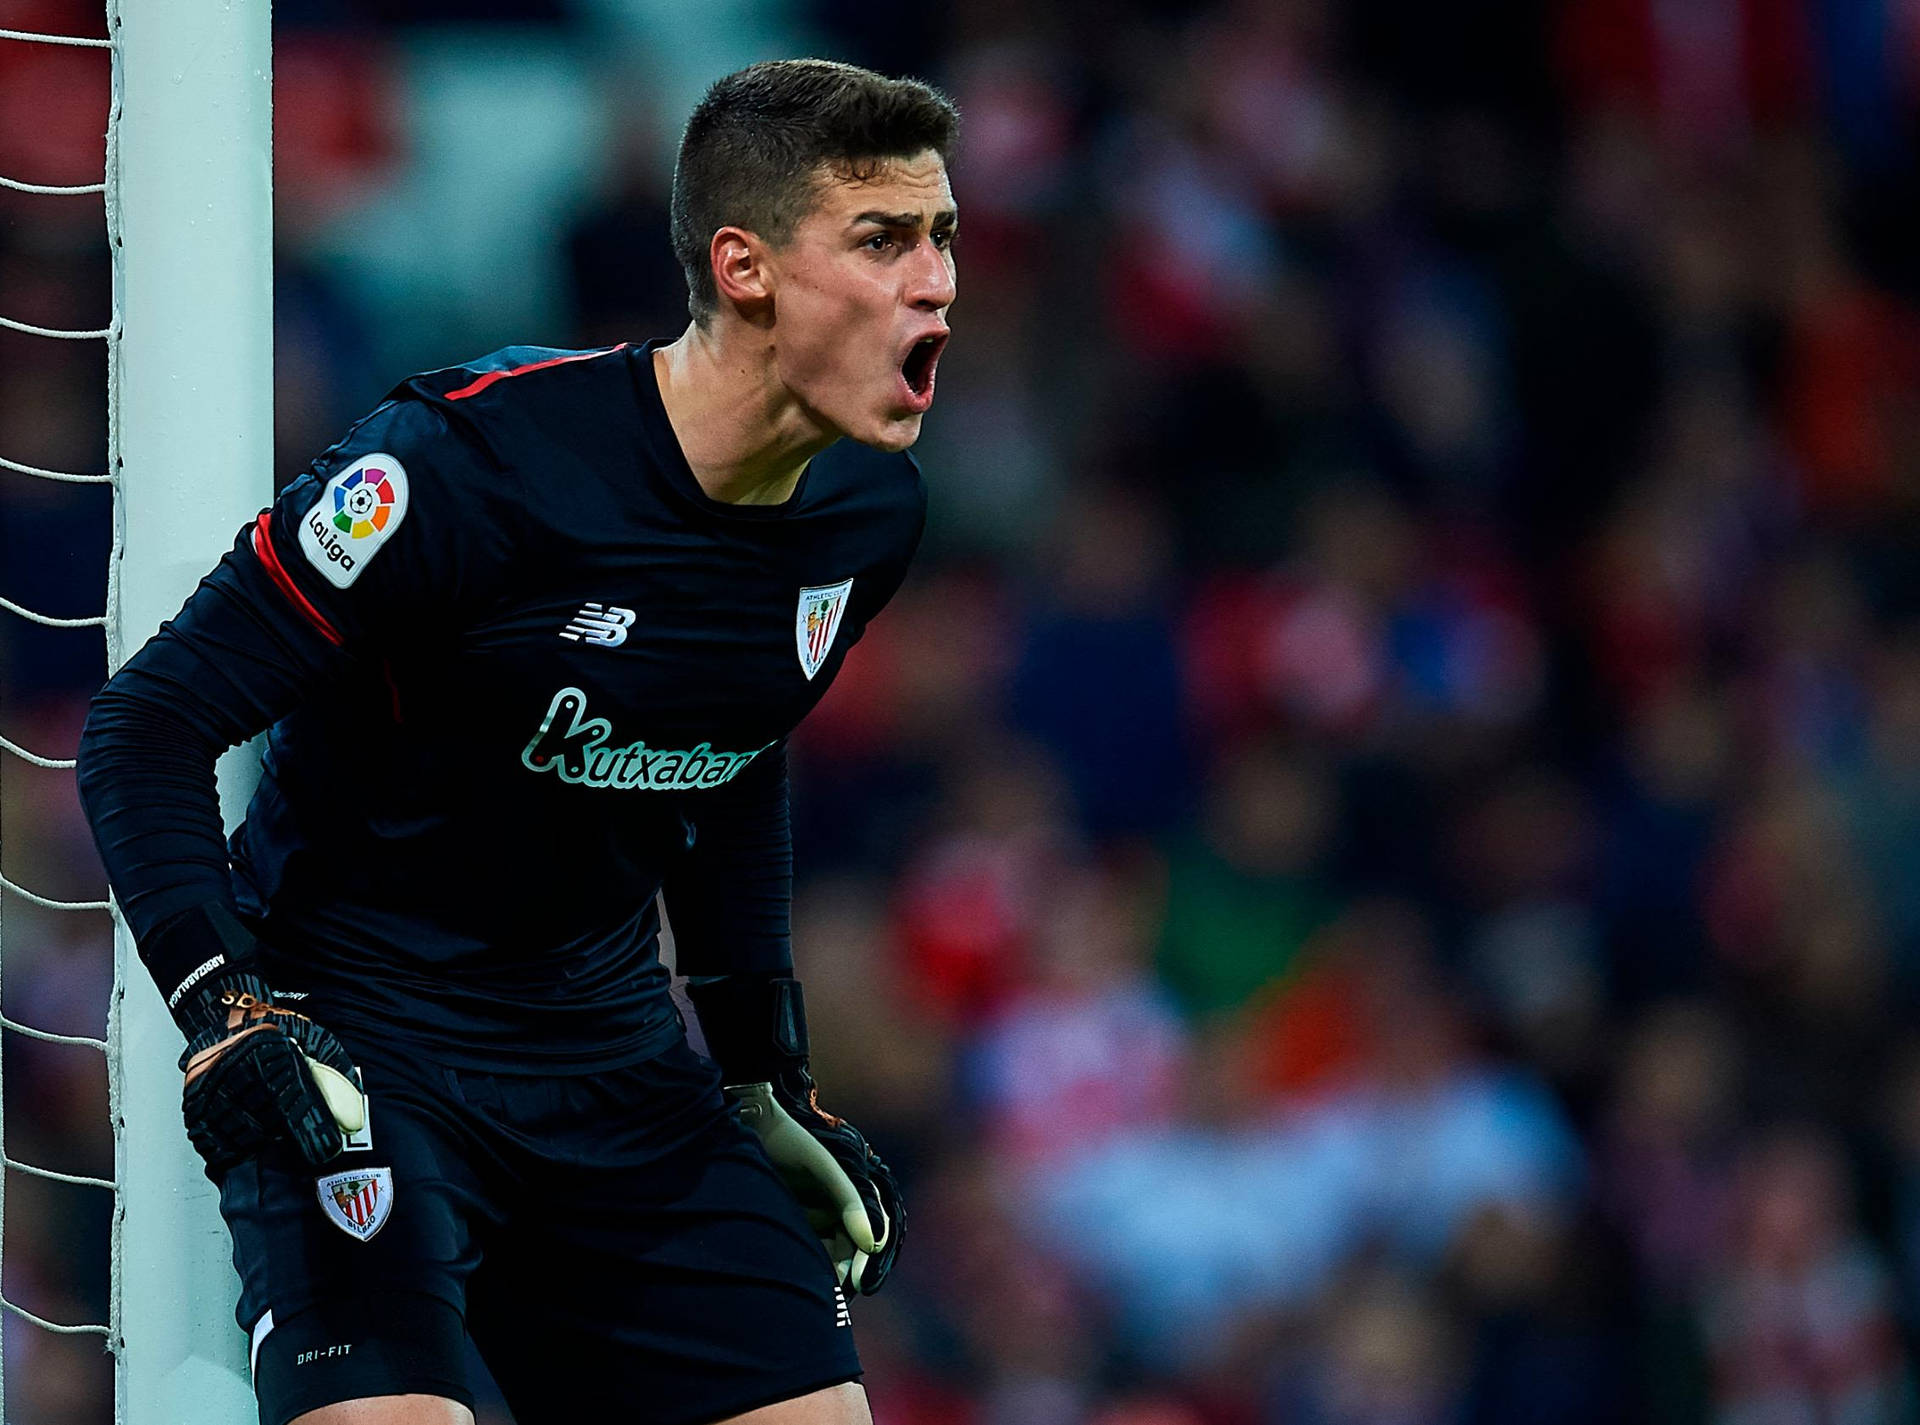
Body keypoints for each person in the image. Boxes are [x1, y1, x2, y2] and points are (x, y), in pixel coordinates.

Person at [76, 57, 958, 1425]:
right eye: (885, 239)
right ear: (746, 268)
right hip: (370, 1041)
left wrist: (759, 1065)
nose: (937, 280)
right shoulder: (464, 469)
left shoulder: (868, 516)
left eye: (943, 236)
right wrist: (223, 1007)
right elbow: (145, 724)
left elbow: (729, 752)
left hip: (613, 1058)